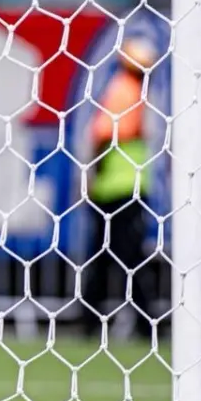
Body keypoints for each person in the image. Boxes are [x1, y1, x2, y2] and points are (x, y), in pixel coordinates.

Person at [81, 38, 158, 340]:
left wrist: (92, 173)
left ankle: (94, 321)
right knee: (126, 258)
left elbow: (102, 136)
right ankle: (137, 322)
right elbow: (105, 136)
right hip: (122, 188)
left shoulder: (126, 90)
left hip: (117, 187)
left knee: (110, 257)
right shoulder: (127, 91)